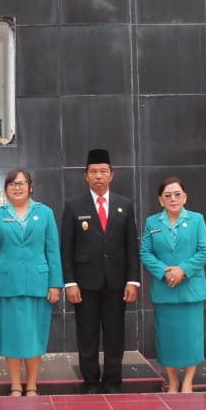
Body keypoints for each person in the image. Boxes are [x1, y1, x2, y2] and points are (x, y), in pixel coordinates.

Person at [60, 149, 141, 394]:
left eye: (103, 172)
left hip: (117, 283)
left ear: (111, 175)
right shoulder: (74, 206)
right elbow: (66, 248)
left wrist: (133, 281)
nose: (98, 176)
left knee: (115, 335)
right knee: (87, 335)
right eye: (93, 172)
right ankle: (91, 382)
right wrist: (70, 282)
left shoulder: (124, 205)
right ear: (86, 176)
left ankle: (113, 382)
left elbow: (131, 246)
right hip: (85, 283)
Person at [0, 169, 63, 396]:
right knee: (11, 335)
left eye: (22, 183)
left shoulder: (45, 213)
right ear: (6, 188)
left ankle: (33, 384)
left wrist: (55, 284)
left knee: (35, 335)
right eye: (12, 184)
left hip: (39, 284)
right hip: (6, 285)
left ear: (31, 186)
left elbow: (53, 251)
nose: (17, 187)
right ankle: (16, 384)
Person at [139, 177, 206, 393]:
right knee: (167, 337)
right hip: (165, 288)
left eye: (177, 194)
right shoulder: (152, 222)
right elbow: (146, 252)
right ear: (160, 200)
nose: (173, 199)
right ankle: (172, 380)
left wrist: (183, 270)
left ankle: (188, 380)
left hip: (191, 288)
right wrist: (165, 271)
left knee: (192, 337)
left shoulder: (197, 220)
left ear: (185, 197)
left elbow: (204, 251)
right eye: (168, 195)